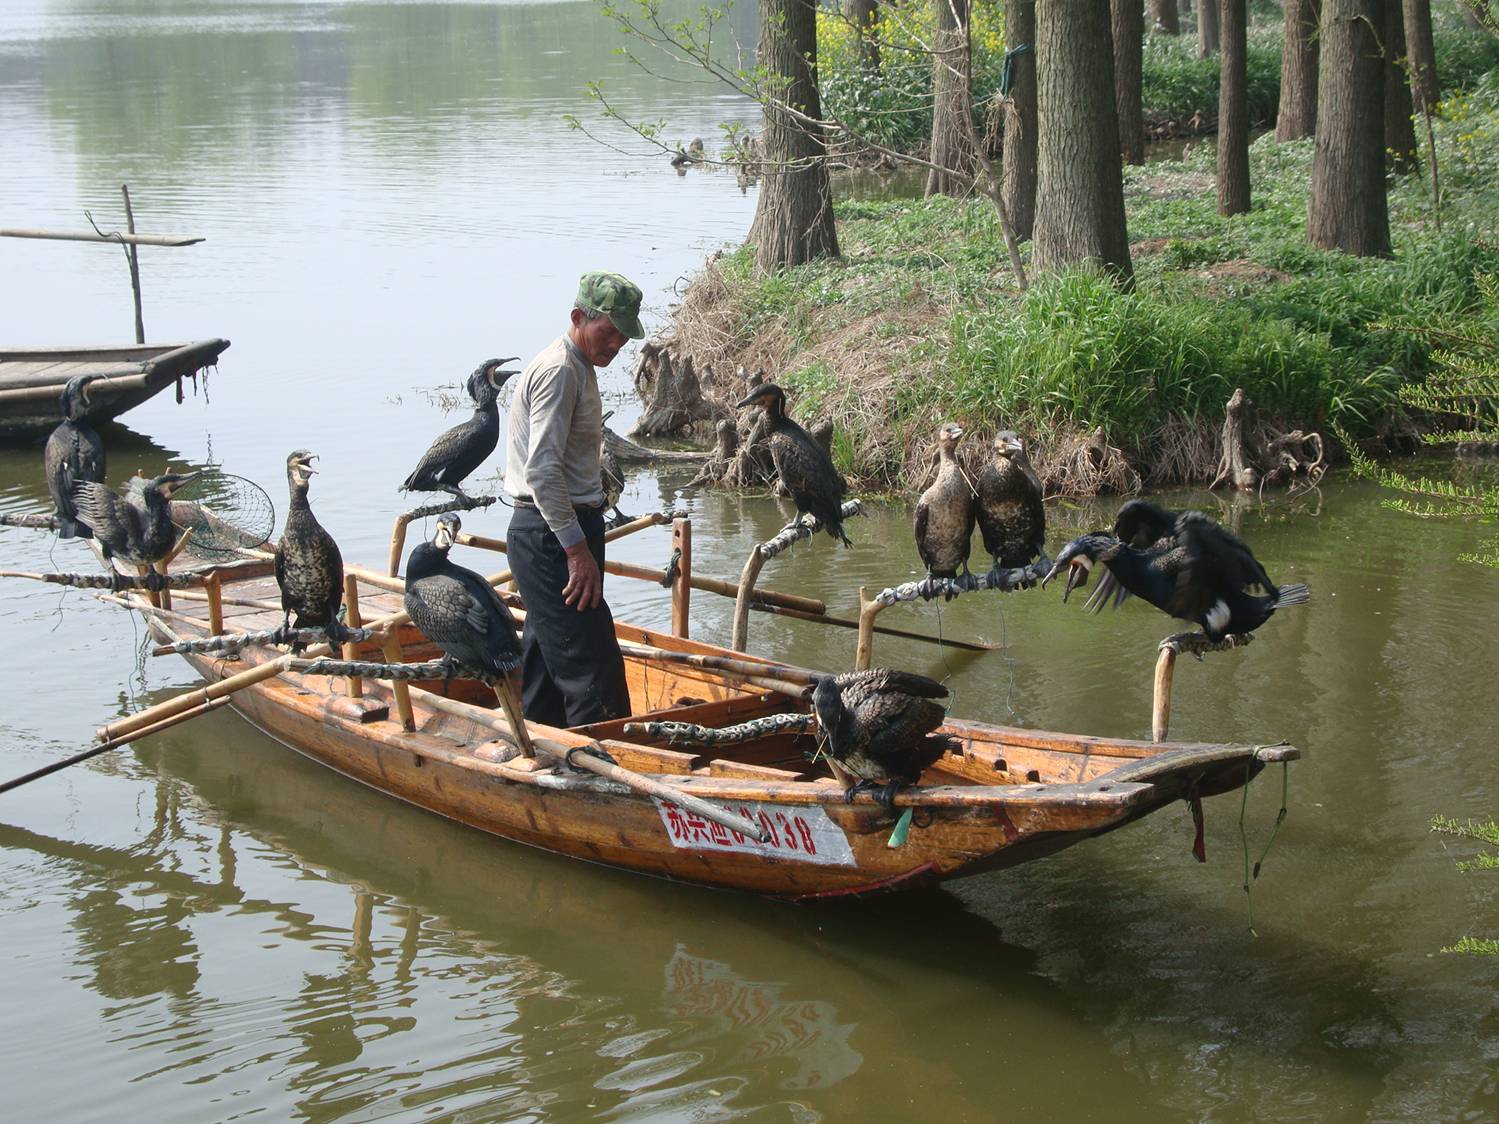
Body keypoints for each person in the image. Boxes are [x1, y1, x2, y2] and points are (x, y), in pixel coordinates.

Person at [502, 271, 642, 726]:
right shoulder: (561, 370)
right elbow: (541, 472)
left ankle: (541, 746)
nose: (617, 343)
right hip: (552, 536)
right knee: (592, 666)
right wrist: (577, 551)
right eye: (609, 331)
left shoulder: (576, 365)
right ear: (579, 317)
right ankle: (607, 768)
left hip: (554, 531)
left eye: (624, 334)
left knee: (547, 652)